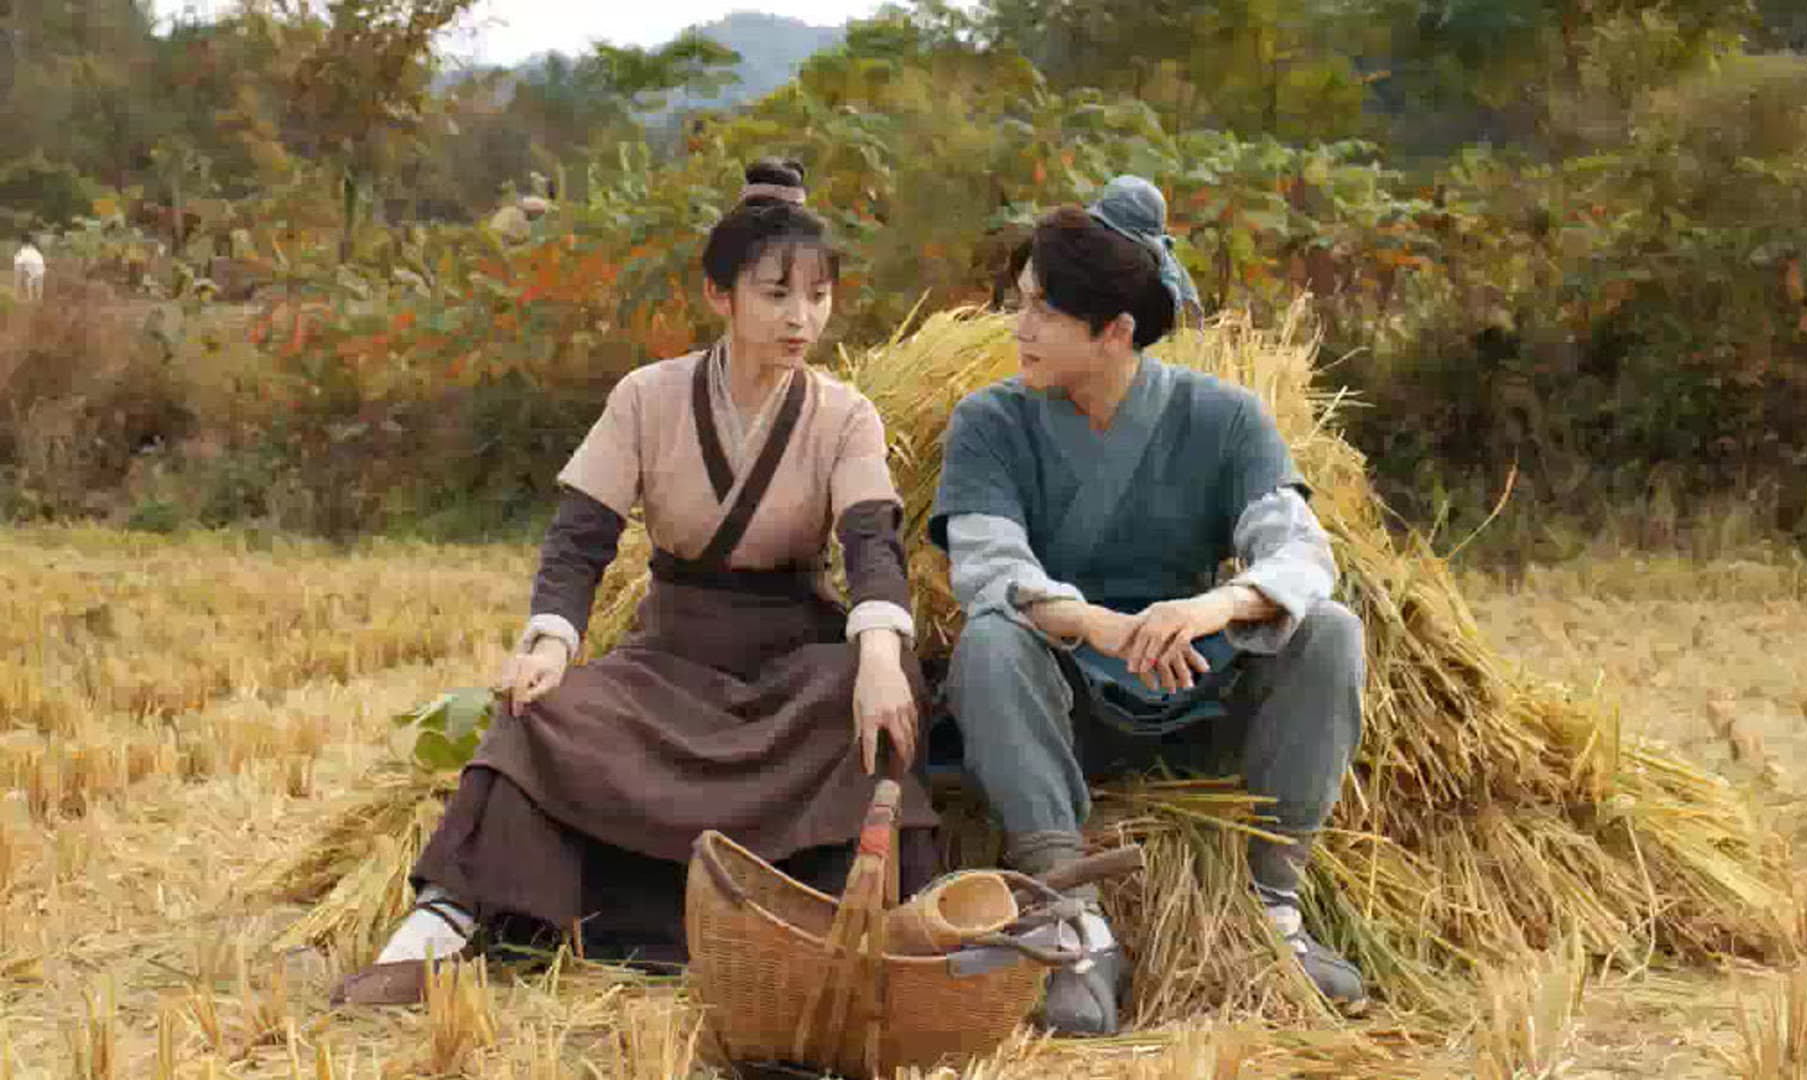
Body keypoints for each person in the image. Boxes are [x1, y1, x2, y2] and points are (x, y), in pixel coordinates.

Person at [334, 159, 940, 1005]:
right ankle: (446, 921)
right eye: (775, 294)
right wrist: (551, 642)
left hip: (790, 663)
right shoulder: (645, 397)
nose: (801, 318)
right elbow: (580, 540)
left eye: (818, 295)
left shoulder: (846, 415)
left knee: (880, 693)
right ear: (719, 295)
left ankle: (834, 925)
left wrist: (877, 655)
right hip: (671, 658)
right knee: (539, 714)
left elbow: (872, 546)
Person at [929, 176, 1368, 1034]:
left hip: (1196, 689)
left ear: (1117, 332)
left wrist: (1211, 609)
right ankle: (1072, 922)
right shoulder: (989, 422)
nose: (1019, 327)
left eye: (1044, 310)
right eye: (1020, 303)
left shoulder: (1227, 419)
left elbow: (1301, 550)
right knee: (990, 640)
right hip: (1067, 710)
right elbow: (989, 563)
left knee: (1330, 633)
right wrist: (1100, 625)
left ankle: (1273, 910)